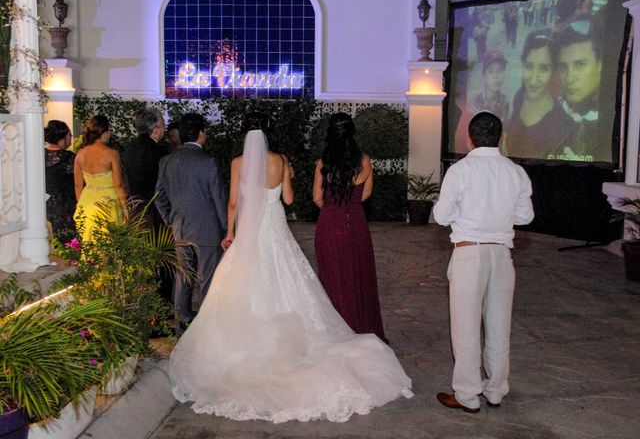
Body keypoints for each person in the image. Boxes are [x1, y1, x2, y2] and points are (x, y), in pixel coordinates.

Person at [170, 112, 413, 423]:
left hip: (249, 230)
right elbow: (287, 199)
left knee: (242, 282)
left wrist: (230, 233)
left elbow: (233, 203)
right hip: (275, 226)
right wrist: (287, 181)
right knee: (286, 277)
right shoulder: (281, 161)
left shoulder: (237, 163)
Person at [433, 112, 534, 413]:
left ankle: (466, 395)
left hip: (469, 252)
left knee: (465, 327)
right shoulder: (515, 172)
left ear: (469, 138)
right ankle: (495, 391)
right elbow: (525, 217)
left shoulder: (461, 171)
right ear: (500, 138)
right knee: (499, 326)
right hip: (502, 254)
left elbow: (440, 216)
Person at [313, 112, 387, 343]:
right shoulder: (364, 161)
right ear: (352, 132)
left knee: (332, 276)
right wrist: (349, 203)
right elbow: (366, 194)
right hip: (355, 222)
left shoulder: (323, 163)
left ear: (330, 133)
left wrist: (332, 207)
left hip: (329, 223)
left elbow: (317, 197)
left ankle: (335, 329)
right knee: (358, 275)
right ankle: (359, 325)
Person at [155, 113, 227, 326]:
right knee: (207, 280)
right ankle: (205, 327)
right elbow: (219, 199)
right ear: (201, 134)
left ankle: (181, 323)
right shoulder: (209, 162)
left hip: (180, 228)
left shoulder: (167, 161)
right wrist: (227, 228)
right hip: (207, 229)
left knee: (182, 277)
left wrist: (170, 219)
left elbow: (159, 196)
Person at [548, 17, 606, 161]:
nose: (569, 78)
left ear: (600, 64)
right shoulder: (555, 107)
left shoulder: (612, 120)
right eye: (563, 66)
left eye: (580, 65)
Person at [506, 30, 562, 159]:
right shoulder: (519, 96)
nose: (533, 79)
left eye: (544, 69)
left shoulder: (558, 119)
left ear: (554, 72)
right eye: (529, 66)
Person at [73, 115, 127, 243]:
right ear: (104, 131)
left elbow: (78, 185)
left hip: (87, 202)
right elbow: (118, 185)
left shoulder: (80, 154)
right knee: (109, 244)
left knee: (90, 244)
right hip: (108, 203)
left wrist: (81, 206)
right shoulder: (111, 154)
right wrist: (126, 207)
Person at [123, 107, 168, 228]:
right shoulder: (161, 152)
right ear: (156, 129)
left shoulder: (129, 148)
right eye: (163, 124)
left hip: (135, 207)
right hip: (156, 210)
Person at [44, 120, 76, 235]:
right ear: (62, 136)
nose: (71, 138)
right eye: (69, 135)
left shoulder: (40, 154)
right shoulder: (69, 157)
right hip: (66, 205)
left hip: (45, 203)